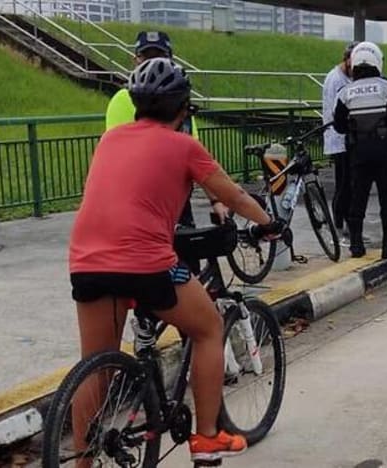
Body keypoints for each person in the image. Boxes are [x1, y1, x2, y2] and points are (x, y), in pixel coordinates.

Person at [69, 58, 282, 464]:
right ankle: (206, 440)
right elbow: (234, 196)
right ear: (184, 109)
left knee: (95, 368)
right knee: (208, 328)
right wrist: (270, 223)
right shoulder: (184, 145)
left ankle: (82, 460)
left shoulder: (109, 141)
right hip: (145, 262)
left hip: (87, 260)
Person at [104, 31, 215, 234]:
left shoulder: (180, 102)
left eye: (159, 57)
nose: (152, 63)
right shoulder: (122, 99)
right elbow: (118, 159)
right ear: (135, 59)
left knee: (188, 253)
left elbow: (199, 160)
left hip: (177, 201)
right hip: (137, 204)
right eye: (146, 56)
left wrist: (216, 199)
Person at [333, 41, 387, 259]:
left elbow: (338, 125)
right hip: (385, 150)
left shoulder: (345, 91)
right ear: (377, 61)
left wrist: (355, 127)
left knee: (358, 197)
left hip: (358, 152)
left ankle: (356, 246)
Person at [322, 42, 356, 246]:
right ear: (347, 59)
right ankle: (339, 227)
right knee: (344, 185)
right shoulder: (336, 80)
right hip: (338, 138)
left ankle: (345, 226)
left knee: (349, 185)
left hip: (346, 139)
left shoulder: (346, 77)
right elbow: (337, 111)